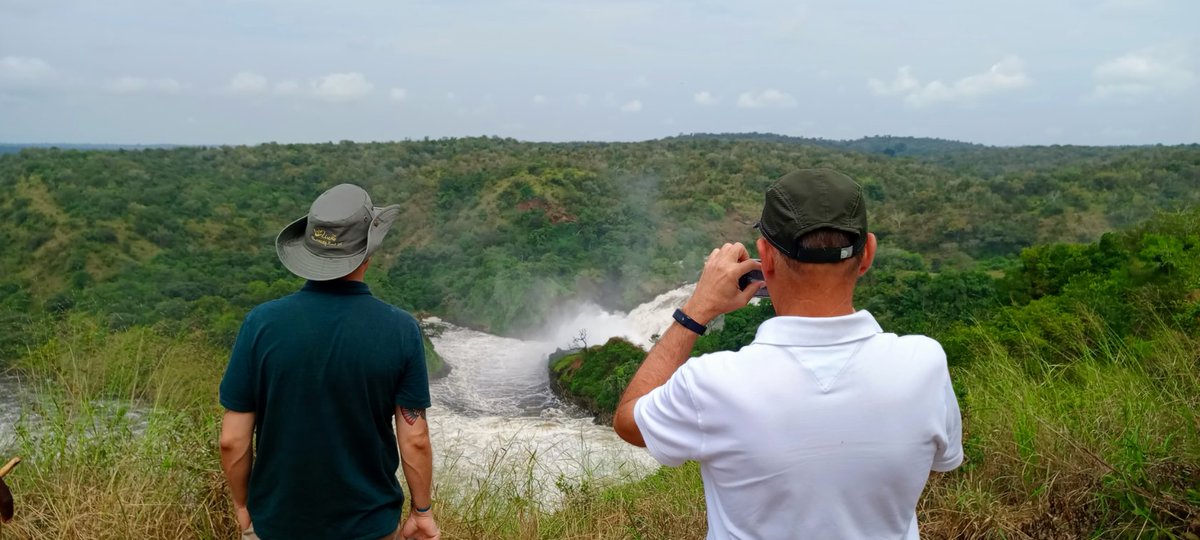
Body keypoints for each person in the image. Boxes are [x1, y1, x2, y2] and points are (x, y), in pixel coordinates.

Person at [613, 168, 963, 539]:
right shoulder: (925, 364)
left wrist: (696, 311)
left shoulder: (712, 383)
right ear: (867, 254)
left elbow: (628, 420)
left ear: (765, 257)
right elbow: (943, 461)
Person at [219, 184, 441, 540]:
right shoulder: (400, 330)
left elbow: (232, 439)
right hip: (369, 527)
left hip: (277, 525)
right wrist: (422, 512)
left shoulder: (260, 324)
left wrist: (244, 507)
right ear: (368, 253)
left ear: (308, 253)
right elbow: (414, 437)